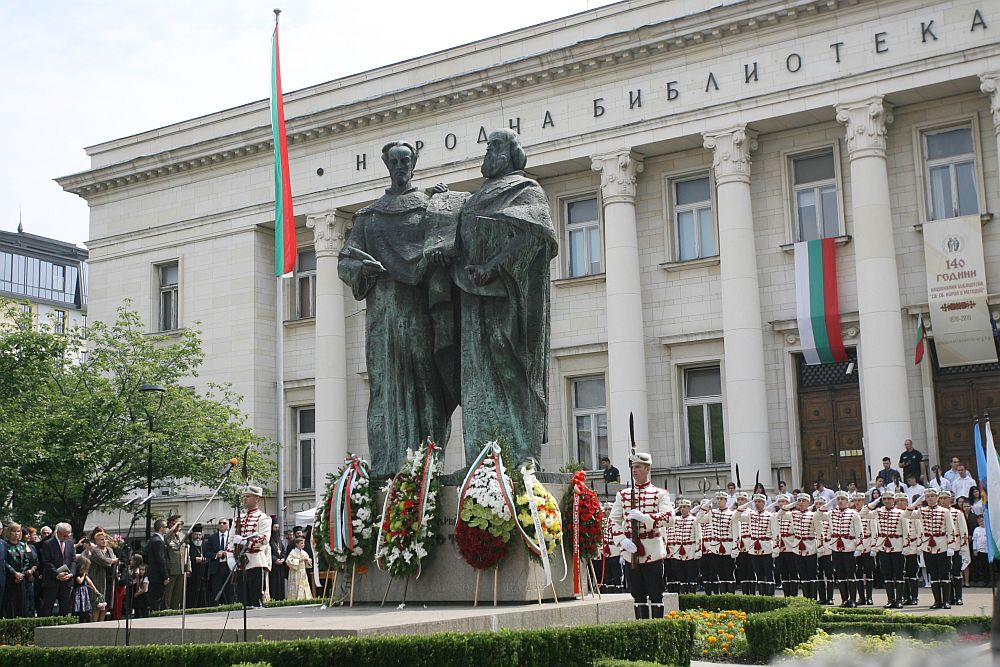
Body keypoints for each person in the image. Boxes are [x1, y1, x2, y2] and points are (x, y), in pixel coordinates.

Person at [338, 141, 460, 477]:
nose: (400, 165)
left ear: (414, 162)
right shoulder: (369, 216)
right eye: (394, 161)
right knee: (384, 386)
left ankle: (428, 463)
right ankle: (387, 464)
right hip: (382, 313)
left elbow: (449, 244)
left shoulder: (430, 208)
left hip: (420, 309)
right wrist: (364, 270)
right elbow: (346, 260)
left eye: (406, 159)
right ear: (386, 164)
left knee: (425, 382)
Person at [453, 129, 558, 464]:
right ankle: (482, 454)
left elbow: (534, 238)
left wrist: (494, 267)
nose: (491, 153)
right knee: (476, 374)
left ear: (513, 153)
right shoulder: (475, 196)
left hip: (509, 295)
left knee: (510, 365)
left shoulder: (526, 189)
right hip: (473, 296)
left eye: (497, 147)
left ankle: (521, 452)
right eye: (489, 147)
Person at [610, 452, 672, 619]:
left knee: (656, 593)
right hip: (631, 552)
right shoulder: (622, 495)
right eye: (633, 467)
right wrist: (622, 540)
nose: (634, 470)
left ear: (647, 468)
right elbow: (612, 521)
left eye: (638, 467)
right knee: (637, 594)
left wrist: (645, 518)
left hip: (652, 550)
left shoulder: (660, 494)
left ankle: (657, 628)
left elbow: (669, 518)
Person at [903, 487, 955, 609]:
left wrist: (951, 546)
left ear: (937, 498)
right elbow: (906, 515)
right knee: (933, 574)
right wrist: (915, 503)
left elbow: (950, 529)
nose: (930, 498)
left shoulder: (944, 511)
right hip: (927, 546)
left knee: (944, 573)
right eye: (928, 496)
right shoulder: (922, 511)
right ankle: (937, 601)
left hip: (942, 544)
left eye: (932, 496)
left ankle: (946, 601)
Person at [776, 493, 825, 601]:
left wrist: (820, 548)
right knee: (802, 574)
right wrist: (790, 505)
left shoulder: (814, 515)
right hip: (797, 548)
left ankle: (812, 598)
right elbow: (779, 515)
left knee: (812, 574)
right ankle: (806, 599)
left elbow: (820, 533)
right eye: (799, 501)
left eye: (804, 501)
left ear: (809, 503)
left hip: (810, 546)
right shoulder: (793, 514)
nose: (801, 503)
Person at [231, 485, 272, 609]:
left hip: (255, 561)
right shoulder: (238, 519)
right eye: (244, 497)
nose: (245, 499)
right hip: (240, 561)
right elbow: (231, 539)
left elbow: (264, 539)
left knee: (256, 596)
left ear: (256, 499)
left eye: (248, 497)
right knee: (243, 598)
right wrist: (229, 557)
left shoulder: (263, 518)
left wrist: (244, 542)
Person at [867, 491, 907, 608]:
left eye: (889, 498)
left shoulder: (901, 513)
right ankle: (890, 600)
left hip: (897, 546)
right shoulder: (878, 512)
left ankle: (899, 599)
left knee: (899, 573)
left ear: (894, 500)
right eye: (884, 499)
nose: (887, 501)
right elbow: (864, 513)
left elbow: (906, 531)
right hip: (883, 546)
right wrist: (875, 502)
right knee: (887, 574)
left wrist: (906, 546)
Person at [733, 493, 778, 595]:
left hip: (766, 547)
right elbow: (736, 517)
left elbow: (775, 534)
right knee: (759, 574)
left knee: (768, 573)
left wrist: (775, 548)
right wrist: (742, 507)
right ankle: (762, 596)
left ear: (764, 502)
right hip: (753, 549)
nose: (757, 504)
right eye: (755, 501)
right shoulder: (750, 515)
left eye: (759, 501)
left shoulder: (771, 516)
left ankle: (770, 597)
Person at [696, 490, 739, 595]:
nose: (719, 501)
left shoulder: (732, 514)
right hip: (715, 548)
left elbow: (736, 533)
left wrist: (735, 547)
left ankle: (731, 596)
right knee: (720, 574)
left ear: (726, 500)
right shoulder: (712, 513)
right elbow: (698, 519)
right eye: (718, 499)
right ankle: (723, 596)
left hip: (728, 547)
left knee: (729, 573)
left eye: (721, 499)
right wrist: (704, 508)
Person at [663, 499, 700, 594]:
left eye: (685, 507)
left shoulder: (694, 520)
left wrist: (697, 550)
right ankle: (683, 596)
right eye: (681, 507)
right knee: (680, 576)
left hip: (690, 549)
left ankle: (692, 596)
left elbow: (698, 536)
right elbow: (668, 517)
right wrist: (676, 509)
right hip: (678, 551)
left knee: (691, 575)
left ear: (689, 508)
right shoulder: (676, 519)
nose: (682, 509)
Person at [938, 491, 968, 605]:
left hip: (955, 546)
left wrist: (963, 547)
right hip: (941, 546)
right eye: (942, 498)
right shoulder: (937, 513)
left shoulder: (957, 513)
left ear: (950, 499)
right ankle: (948, 597)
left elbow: (963, 530)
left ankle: (958, 596)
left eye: (946, 498)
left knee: (956, 572)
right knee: (945, 572)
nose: (944, 500)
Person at [39, 522, 75, 616]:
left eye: (68, 535)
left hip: (67, 581)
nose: (67, 538)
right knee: (48, 607)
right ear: (58, 533)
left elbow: (73, 560)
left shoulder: (70, 543)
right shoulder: (48, 544)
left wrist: (71, 574)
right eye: (64, 535)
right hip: (52, 581)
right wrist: (57, 574)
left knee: (65, 607)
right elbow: (46, 562)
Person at [2, 523, 34, 617]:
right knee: (10, 603)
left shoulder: (22, 545)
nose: (16, 533)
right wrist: (14, 573)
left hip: (21, 578)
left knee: (21, 603)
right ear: (9, 532)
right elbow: (4, 562)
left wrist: (21, 574)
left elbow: (26, 561)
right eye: (14, 531)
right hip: (9, 577)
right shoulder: (5, 545)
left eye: (18, 531)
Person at [86, 530, 118, 622]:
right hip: (98, 579)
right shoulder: (95, 550)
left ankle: (102, 622)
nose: (104, 541)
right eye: (101, 540)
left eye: (105, 539)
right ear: (96, 541)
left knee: (106, 603)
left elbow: (115, 562)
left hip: (110, 579)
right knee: (98, 603)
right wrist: (113, 560)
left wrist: (114, 561)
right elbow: (103, 561)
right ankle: (95, 623)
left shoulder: (110, 550)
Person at [851, 492, 877, 606]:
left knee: (869, 571)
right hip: (855, 545)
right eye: (855, 501)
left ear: (863, 501)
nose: (857, 503)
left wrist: (873, 547)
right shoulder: (851, 514)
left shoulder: (869, 514)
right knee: (858, 572)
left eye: (860, 500)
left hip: (867, 543)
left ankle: (869, 597)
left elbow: (874, 531)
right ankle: (861, 597)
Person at [206, 519, 234, 604]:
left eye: (224, 523)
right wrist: (215, 555)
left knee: (230, 588)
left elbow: (236, 550)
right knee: (216, 588)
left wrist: (228, 553)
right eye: (220, 523)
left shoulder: (231, 537)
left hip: (229, 565)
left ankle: (231, 604)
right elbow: (206, 552)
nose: (221, 524)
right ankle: (217, 606)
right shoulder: (212, 537)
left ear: (228, 525)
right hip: (217, 567)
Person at [144, 519, 170, 613]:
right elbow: (161, 560)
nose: (167, 529)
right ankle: (155, 615)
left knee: (155, 597)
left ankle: (154, 612)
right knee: (157, 598)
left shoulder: (153, 539)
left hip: (154, 574)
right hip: (158, 575)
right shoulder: (158, 541)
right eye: (166, 527)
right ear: (161, 528)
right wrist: (165, 576)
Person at [162, 515, 186, 610]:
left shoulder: (182, 536)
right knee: (169, 593)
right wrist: (174, 526)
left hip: (181, 569)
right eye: (174, 524)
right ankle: (167, 610)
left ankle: (175, 610)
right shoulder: (168, 536)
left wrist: (188, 568)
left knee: (178, 594)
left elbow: (185, 553)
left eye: (179, 524)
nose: (177, 527)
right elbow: (165, 537)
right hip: (171, 569)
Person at [187, 524, 209, 608]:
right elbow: (186, 557)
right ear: (192, 535)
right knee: (193, 591)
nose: (197, 537)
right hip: (193, 572)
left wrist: (205, 559)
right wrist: (194, 559)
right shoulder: (189, 545)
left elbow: (208, 555)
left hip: (203, 572)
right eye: (196, 534)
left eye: (199, 535)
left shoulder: (204, 544)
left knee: (203, 591)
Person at [285, 537, 313, 601]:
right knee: (296, 586)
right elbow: (288, 561)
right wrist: (299, 560)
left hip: (303, 572)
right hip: (295, 573)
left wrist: (307, 560)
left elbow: (309, 562)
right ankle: (294, 599)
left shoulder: (304, 552)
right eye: (301, 543)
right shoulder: (293, 552)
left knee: (304, 586)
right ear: (297, 544)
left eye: (303, 543)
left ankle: (305, 598)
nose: (303, 544)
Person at [71, 554, 96, 622]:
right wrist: (83, 575)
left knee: (86, 608)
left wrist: (95, 589)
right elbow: (79, 581)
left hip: (84, 590)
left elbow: (88, 580)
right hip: (78, 590)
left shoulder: (83, 572)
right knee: (78, 607)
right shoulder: (78, 571)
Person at [268, 522, 287, 602]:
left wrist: (283, 558)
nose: (277, 529)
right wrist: (275, 559)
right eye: (275, 527)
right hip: (273, 566)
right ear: (272, 528)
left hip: (280, 566)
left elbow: (283, 551)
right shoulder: (269, 540)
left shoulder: (279, 540)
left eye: (278, 527)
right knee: (274, 583)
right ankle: (274, 599)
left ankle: (281, 598)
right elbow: (268, 553)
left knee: (281, 583)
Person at [970, 515, 988, 586]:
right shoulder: (977, 529)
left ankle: (991, 579)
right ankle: (985, 580)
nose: (981, 522)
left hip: (988, 551)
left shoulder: (988, 529)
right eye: (979, 521)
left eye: (982, 520)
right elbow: (975, 540)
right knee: (983, 566)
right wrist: (975, 549)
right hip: (981, 551)